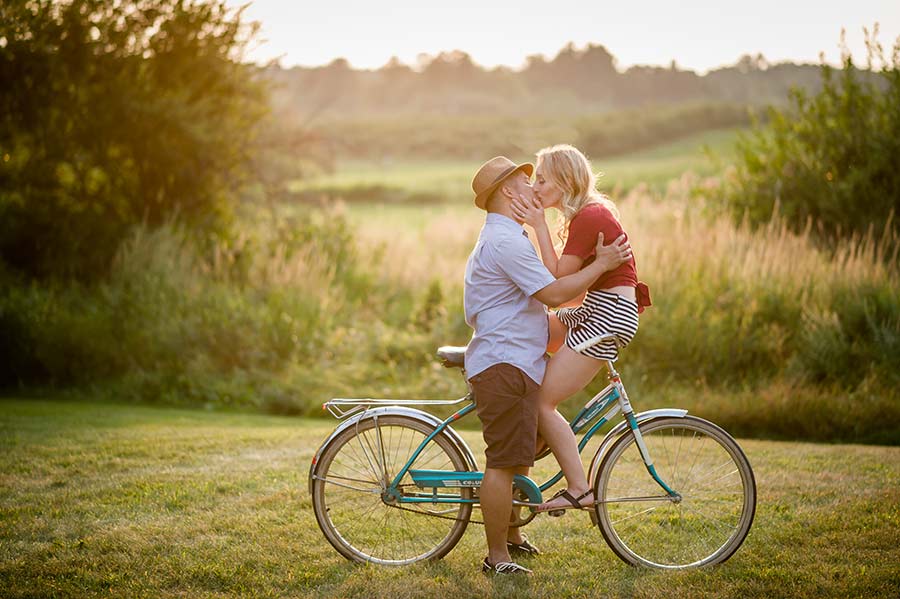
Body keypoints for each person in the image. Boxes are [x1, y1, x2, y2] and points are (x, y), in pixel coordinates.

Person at [464, 156, 632, 575]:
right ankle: (496, 557)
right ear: (508, 192)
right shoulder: (505, 242)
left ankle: (514, 537)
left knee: (520, 455)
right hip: (505, 361)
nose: (534, 189)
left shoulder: (511, 237)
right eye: (527, 182)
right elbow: (555, 295)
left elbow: (559, 289)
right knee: (503, 463)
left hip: (516, 358)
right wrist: (602, 266)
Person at [510, 144, 651, 515]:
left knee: (542, 400)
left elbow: (557, 277)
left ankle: (578, 488)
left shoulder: (589, 216)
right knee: (534, 331)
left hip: (608, 315)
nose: (536, 187)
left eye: (542, 179)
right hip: (599, 309)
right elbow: (565, 293)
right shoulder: (588, 215)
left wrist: (538, 224)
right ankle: (538, 434)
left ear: (564, 180)